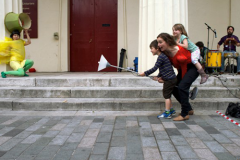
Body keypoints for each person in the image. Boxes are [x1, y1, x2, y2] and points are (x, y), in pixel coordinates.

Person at [157, 33, 199, 121]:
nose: (159, 45)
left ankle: (184, 114)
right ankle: (189, 109)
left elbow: (185, 66)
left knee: (182, 87)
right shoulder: (166, 53)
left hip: (192, 67)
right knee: (174, 87)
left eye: (160, 42)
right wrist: (162, 77)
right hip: (182, 70)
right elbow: (164, 66)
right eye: (158, 43)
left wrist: (182, 82)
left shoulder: (178, 50)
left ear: (168, 41)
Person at [139, 40, 177, 119]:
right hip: (171, 78)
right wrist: (158, 76)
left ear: (157, 48)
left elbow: (154, 68)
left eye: (152, 48)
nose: (150, 50)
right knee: (168, 95)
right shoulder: (162, 56)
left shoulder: (161, 57)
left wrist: (145, 73)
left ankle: (167, 113)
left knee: (166, 96)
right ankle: (171, 110)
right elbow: (162, 69)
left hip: (169, 80)